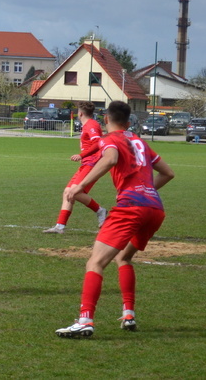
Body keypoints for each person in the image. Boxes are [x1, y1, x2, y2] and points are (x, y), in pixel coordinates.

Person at [55, 100, 175, 339]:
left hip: (131, 207)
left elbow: (109, 159)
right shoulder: (140, 141)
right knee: (124, 258)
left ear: (106, 120)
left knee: (95, 263)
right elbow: (168, 173)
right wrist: (147, 190)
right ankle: (128, 313)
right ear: (129, 122)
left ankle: (85, 320)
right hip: (155, 209)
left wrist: (80, 184)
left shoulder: (110, 139)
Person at [44, 101, 108, 234]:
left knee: (75, 192)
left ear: (80, 113)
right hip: (86, 163)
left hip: (92, 163)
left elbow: (98, 143)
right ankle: (59, 227)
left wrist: (81, 155)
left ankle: (100, 211)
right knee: (68, 192)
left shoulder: (91, 125)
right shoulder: (88, 125)